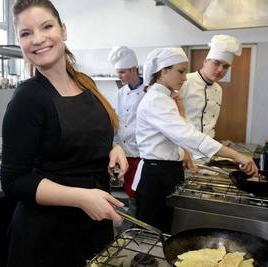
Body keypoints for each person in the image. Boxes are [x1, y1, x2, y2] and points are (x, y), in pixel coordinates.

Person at [0, 1, 128, 266]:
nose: (38, 39)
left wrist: (114, 149)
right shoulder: (29, 98)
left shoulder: (85, 83)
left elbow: (99, 133)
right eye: (26, 33)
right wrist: (81, 197)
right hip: (47, 238)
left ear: (63, 30)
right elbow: (14, 181)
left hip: (93, 227)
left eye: (46, 26)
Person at [132, 47, 258, 233]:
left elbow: (178, 133)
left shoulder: (166, 97)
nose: (184, 77)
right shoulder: (156, 100)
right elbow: (188, 135)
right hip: (155, 177)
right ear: (164, 70)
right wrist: (236, 156)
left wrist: (181, 111)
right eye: (180, 71)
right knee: (151, 237)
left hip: (167, 173)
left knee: (164, 233)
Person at [108, 46, 144, 224]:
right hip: (126, 153)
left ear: (134, 69)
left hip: (143, 154)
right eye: (118, 72)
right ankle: (132, 227)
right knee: (131, 194)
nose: (119, 76)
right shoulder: (120, 93)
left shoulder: (150, 91)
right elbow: (117, 121)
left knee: (141, 196)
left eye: (122, 72)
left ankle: (136, 227)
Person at [180, 35, 242, 139]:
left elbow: (210, 123)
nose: (220, 70)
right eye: (216, 63)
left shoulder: (218, 89)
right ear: (205, 62)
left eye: (225, 66)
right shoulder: (185, 82)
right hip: (184, 145)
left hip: (207, 146)